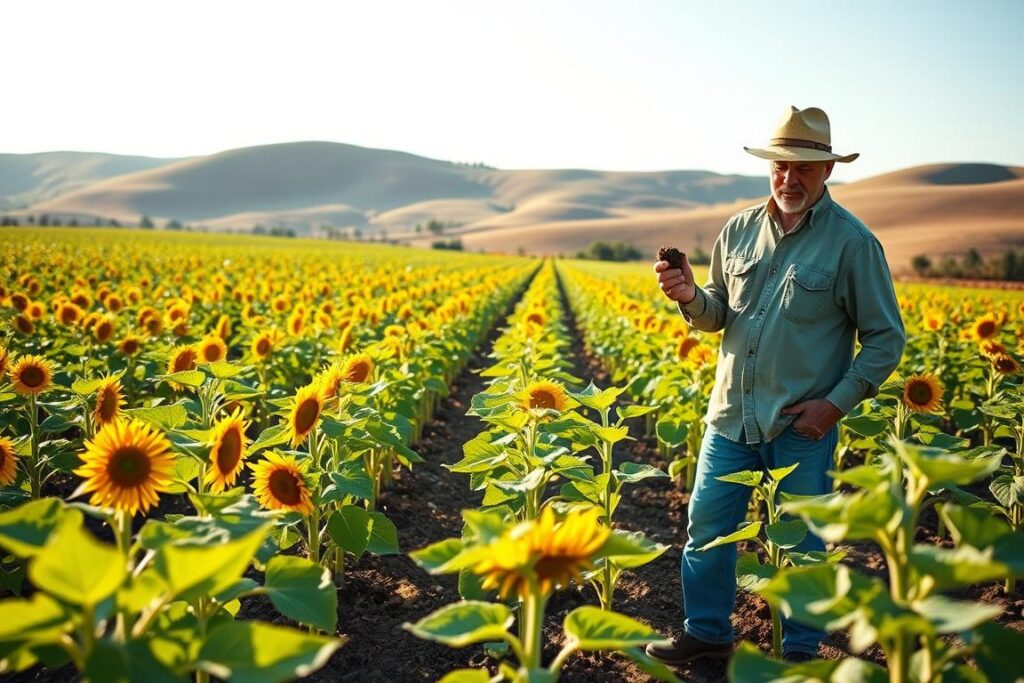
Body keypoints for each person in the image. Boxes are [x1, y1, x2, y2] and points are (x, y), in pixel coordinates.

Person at [645, 106, 906, 665]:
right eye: (781, 167)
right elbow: (720, 314)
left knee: (803, 544)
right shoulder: (738, 229)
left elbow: (885, 338)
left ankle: (803, 654)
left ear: (828, 172)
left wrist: (834, 406)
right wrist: (691, 297)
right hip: (731, 416)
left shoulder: (853, 245)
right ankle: (708, 633)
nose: (790, 179)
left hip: (800, 428)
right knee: (707, 531)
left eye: (804, 170)